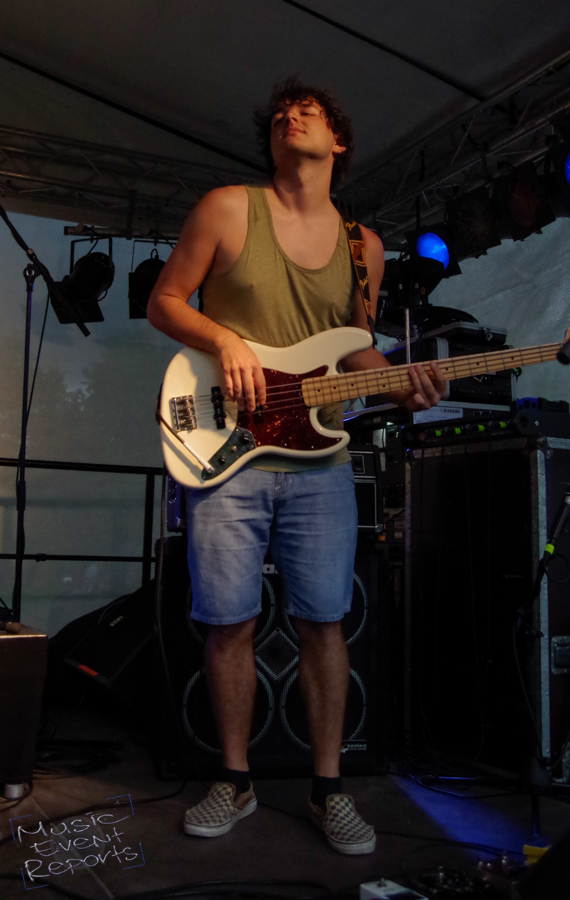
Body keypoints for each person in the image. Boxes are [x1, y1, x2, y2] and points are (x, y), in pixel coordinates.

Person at [147, 79, 447, 855]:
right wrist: (224, 339)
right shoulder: (226, 208)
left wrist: (402, 383)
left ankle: (328, 789)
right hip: (227, 451)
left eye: (307, 111)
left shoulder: (363, 246)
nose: (290, 116)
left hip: (320, 461)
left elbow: (353, 350)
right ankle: (234, 780)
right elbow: (164, 300)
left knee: (324, 622)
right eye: (281, 114)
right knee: (228, 622)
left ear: (337, 142)